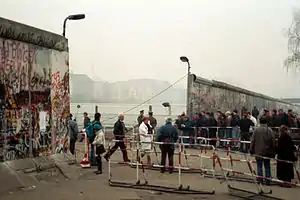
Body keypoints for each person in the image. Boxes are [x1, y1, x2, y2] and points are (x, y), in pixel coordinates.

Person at [250, 116, 275, 185]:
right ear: (266, 122)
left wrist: (251, 149)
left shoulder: (256, 130)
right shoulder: (269, 130)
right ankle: (268, 180)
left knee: (259, 165)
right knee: (267, 165)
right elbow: (273, 141)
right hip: (267, 151)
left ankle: (260, 179)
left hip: (258, 151)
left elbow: (253, 141)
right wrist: (273, 150)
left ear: (260, 122)